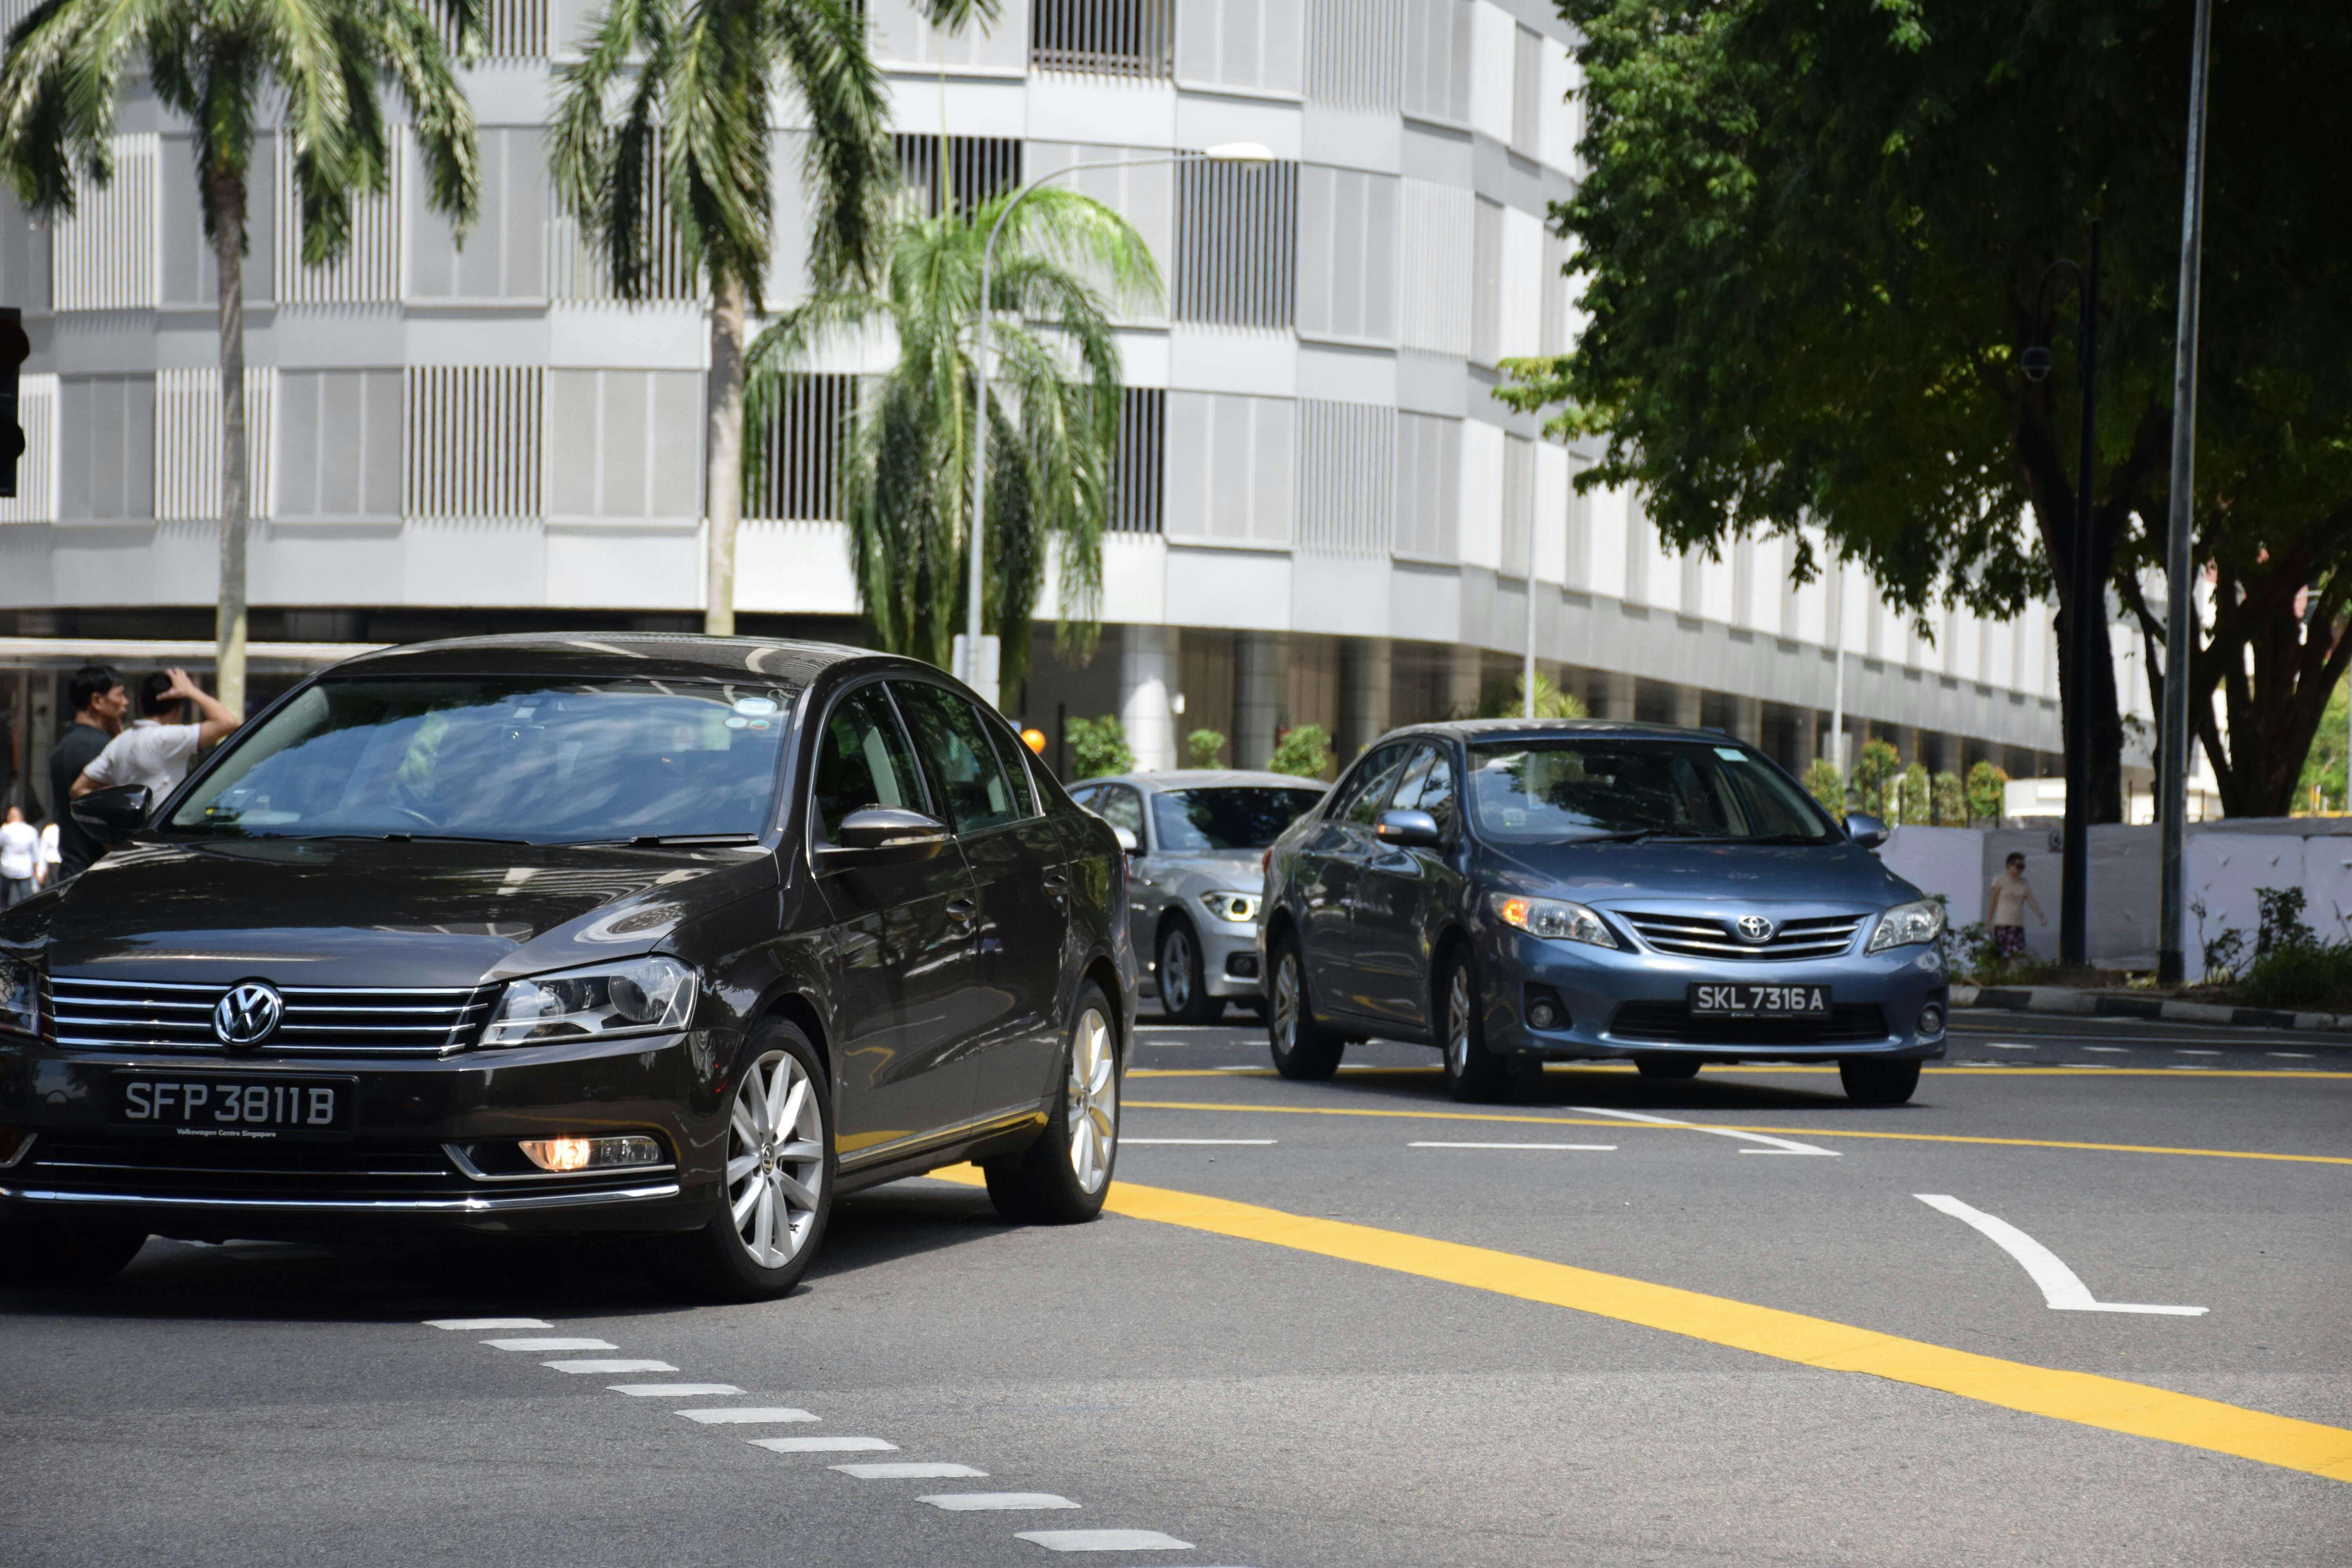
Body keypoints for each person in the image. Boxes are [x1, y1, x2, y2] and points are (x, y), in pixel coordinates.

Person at [73, 667, 243, 808]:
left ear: (141, 703)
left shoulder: (119, 742)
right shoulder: (168, 738)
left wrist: (118, 815)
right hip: (161, 837)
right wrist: (191, 691)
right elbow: (229, 722)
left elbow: (79, 789)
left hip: (130, 839)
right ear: (178, 708)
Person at [47, 664, 126, 882]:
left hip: (72, 871)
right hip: (97, 875)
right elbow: (106, 816)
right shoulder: (98, 749)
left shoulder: (65, 745)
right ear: (98, 702)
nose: (125, 703)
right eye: (119, 695)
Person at [1985, 850, 2046, 962]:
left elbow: (2031, 900)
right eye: (2019, 866)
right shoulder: (2000, 880)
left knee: (2016, 955)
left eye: (2023, 867)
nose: (2021, 870)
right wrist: (1989, 923)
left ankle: (2013, 977)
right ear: (2010, 866)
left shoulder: (2024, 882)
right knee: (2005, 955)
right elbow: (1993, 902)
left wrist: (2041, 915)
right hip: (2003, 923)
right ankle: (2005, 977)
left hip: (2018, 924)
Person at [0, 805, 37, 906]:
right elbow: (35, 853)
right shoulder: (31, 831)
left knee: (3, 899)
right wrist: (36, 869)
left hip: (7, 867)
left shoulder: (5, 830)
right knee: (25, 900)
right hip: (24, 869)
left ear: (9, 817)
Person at [36, 814, 58, 888]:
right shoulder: (50, 830)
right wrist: (40, 872)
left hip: (66, 866)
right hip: (52, 867)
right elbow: (42, 851)